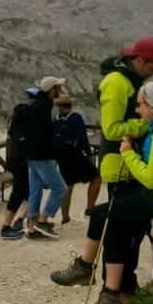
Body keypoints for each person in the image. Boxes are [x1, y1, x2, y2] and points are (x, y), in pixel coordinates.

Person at [50, 81, 153, 304]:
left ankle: (85, 267)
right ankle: (110, 293)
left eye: (140, 105)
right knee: (114, 225)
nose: (137, 110)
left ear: (152, 107)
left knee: (100, 214)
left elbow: (152, 178)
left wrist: (127, 154)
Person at [93, 36, 153, 296]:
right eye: (152, 68)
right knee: (121, 234)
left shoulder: (129, 80)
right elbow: (111, 129)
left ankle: (123, 288)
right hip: (120, 167)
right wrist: (146, 125)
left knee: (127, 232)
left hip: (128, 165)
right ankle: (114, 292)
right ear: (138, 60)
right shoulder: (116, 82)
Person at [19, 77, 68, 239]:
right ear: (50, 90)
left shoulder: (36, 105)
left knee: (35, 190)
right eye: (57, 88)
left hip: (31, 156)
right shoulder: (43, 107)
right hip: (42, 156)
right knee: (60, 188)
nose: (60, 91)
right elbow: (43, 135)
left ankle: (32, 228)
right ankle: (43, 221)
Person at [54, 93, 101, 225]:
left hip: (61, 157)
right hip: (76, 155)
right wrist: (89, 155)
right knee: (96, 178)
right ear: (70, 105)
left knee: (68, 186)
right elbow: (83, 139)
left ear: (58, 106)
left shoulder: (55, 120)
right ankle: (90, 208)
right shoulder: (75, 118)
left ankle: (65, 217)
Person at [0, 88, 37, 240]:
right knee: (20, 191)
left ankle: (24, 221)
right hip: (23, 160)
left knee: (29, 192)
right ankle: (6, 227)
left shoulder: (17, 114)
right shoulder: (27, 114)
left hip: (15, 160)